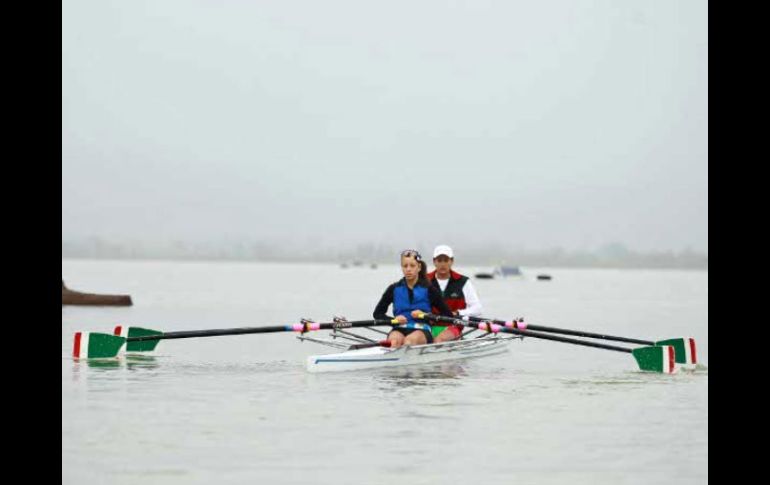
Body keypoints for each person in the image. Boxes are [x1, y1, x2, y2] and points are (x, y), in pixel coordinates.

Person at [373, 249, 454, 348]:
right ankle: (393, 360)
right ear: (401, 268)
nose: (408, 269)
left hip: (422, 330)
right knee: (394, 342)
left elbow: (448, 315)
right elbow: (377, 314)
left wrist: (426, 315)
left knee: (409, 341)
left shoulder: (429, 289)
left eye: (412, 266)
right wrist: (393, 320)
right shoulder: (393, 289)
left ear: (419, 267)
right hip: (399, 329)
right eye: (405, 266)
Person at [428, 245, 483, 343]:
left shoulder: (463, 282)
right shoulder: (425, 280)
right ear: (434, 261)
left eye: (446, 260)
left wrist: (458, 313)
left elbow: (478, 308)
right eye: (439, 260)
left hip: (452, 326)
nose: (443, 264)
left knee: (438, 340)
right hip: (428, 326)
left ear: (452, 261)